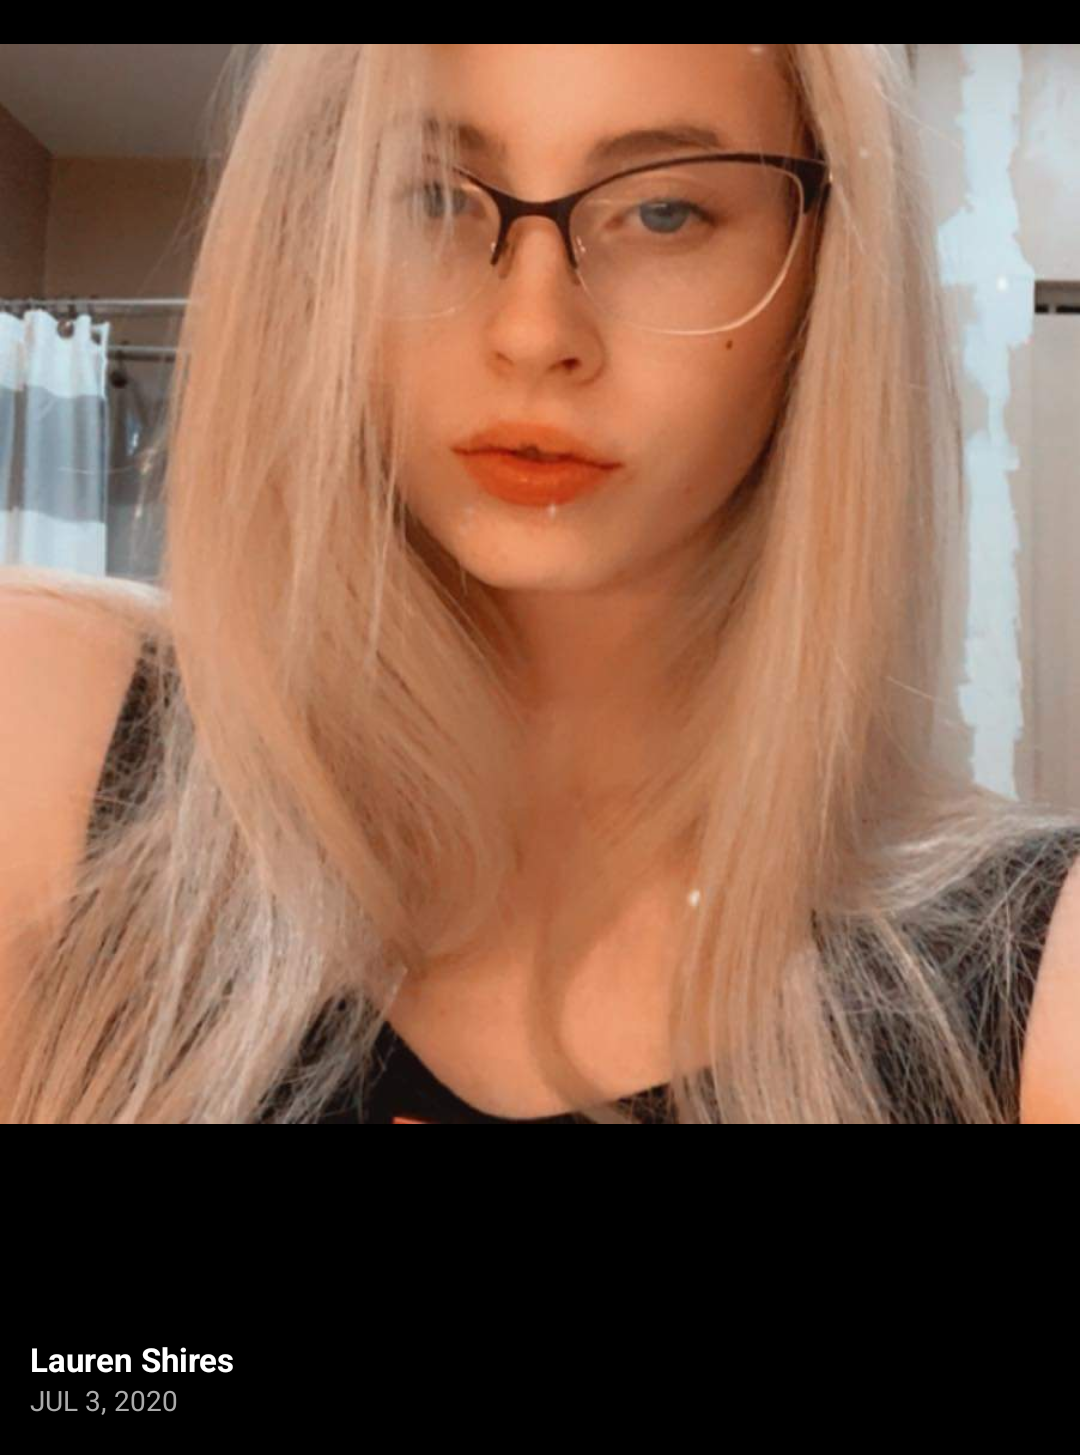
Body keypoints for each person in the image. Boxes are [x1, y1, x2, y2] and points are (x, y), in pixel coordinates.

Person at [2, 44, 1079, 1124]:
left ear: (825, 271)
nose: (532, 332)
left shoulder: (1040, 978)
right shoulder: (46, 736)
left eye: (664, 214)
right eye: (432, 197)